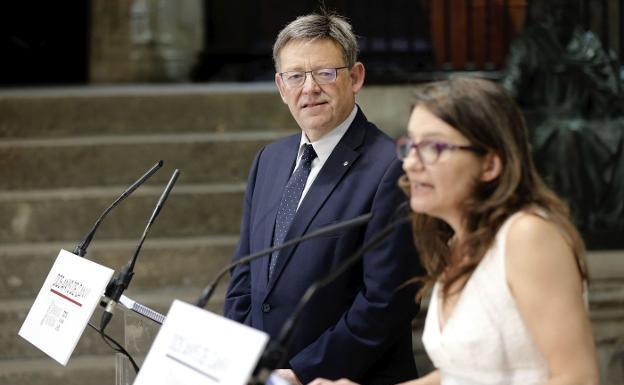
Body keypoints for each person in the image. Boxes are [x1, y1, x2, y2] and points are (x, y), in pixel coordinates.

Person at [309, 77, 600, 385]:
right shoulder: (456, 242)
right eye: (410, 146)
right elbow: (461, 375)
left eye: (433, 147)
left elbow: (577, 377)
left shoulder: (527, 236)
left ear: (489, 164)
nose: (410, 164)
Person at [223, 10, 422, 385]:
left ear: (356, 77)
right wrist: (239, 360)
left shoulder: (391, 167)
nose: (309, 88)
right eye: (295, 76)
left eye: (325, 73)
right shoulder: (269, 159)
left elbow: (385, 303)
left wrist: (300, 372)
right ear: (282, 88)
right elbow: (244, 277)